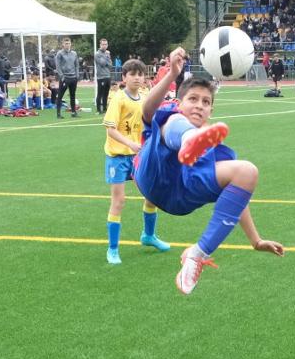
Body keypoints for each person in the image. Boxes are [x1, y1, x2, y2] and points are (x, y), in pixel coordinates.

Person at [133, 47, 284, 294]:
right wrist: (171, 74)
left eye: (206, 102)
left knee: (246, 172)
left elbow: (238, 198)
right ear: (180, 101)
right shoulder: (172, 113)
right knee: (170, 120)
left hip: (182, 196)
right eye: (193, 99)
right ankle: (187, 140)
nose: (199, 106)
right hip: (153, 177)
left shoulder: (213, 145)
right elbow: (147, 111)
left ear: (211, 111)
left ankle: (197, 254)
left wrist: (255, 240)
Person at [101, 60, 173, 264]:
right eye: (132, 74)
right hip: (118, 157)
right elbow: (110, 129)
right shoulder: (118, 99)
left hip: (138, 155)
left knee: (152, 195)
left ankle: (148, 236)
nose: (136, 77)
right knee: (119, 201)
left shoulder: (144, 98)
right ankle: (113, 249)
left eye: (140, 74)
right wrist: (130, 144)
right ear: (124, 78)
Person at [54, 38, 80, 118]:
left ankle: (73, 112)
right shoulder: (60, 54)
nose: (67, 45)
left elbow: (76, 65)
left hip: (73, 78)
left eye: (68, 43)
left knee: (73, 95)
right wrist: (62, 77)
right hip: (65, 78)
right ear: (63, 44)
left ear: (71, 44)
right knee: (60, 96)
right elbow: (58, 66)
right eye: (66, 43)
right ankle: (58, 114)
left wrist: (77, 75)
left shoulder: (74, 53)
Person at [94, 38, 113, 115]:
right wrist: (107, 56)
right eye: (103, 44)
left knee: (106, 94)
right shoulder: (97, 54)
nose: (105, 46)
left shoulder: (107, 54)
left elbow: (110, 65)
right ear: (100, 45)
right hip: (101, 77)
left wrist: (107, 58)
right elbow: (102, 63)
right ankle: (98, 109)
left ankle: (105, 108)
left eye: (106, 44)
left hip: (108, 76)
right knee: (100, 94)